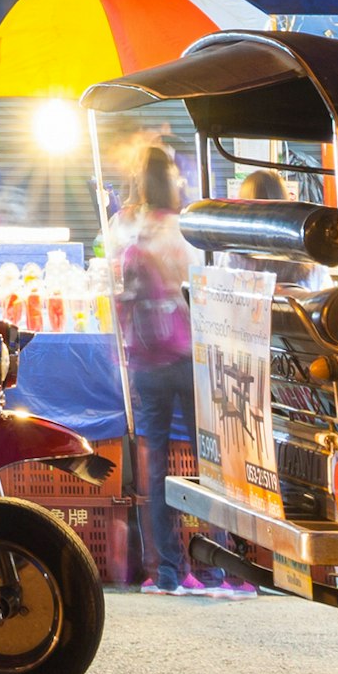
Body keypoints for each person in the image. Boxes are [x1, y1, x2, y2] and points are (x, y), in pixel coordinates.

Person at [101, 137, 196, 594]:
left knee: (156, 465)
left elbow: (108, 282)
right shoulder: (182, 230)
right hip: (188, 353)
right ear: (170, 179)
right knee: (206, 461)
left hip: (143, 357)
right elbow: (199, 287)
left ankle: (169, 572)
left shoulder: (119, 227)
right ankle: (219, 567)